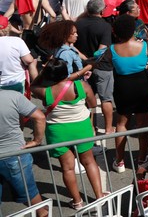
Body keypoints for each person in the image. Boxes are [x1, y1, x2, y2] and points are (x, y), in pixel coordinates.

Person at [31, 59, 104, 209]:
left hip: (58, 133)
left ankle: (77, 202)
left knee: (67, 168)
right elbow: (93, 104)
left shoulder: (46, 92)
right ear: (66, 72)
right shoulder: (81, 86)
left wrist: (43, 72)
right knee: (89, 162)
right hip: (81, 128)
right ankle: (99, 197)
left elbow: (33, 86)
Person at [109, 16, 148, 173]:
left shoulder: (112, 49)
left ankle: (119, 161)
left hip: (123, 86)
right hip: (143, 85)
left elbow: (104, 62)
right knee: (143, 123)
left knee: (121, 123)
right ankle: (141, 159)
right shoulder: (145, 46)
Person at [0, 86, 48, 217]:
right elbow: (40, 117)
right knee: (33, 197)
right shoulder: (13, 96)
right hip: (15, 155)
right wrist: (36, 141)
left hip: (13, 156)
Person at [75, 0, 115, 136]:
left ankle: (90, 128)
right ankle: (109, 128)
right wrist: (93, 61)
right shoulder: (105, 26)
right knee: (106, 98)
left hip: (82, 67)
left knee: (86, 99)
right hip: (102, 67)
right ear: (102, 11)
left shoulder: (78, 24)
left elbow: (72, 46)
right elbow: (102, 49)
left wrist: (85, 60)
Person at [0, 15, 39, 93]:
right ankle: (37, 85)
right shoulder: (17, 41)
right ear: (8, 27)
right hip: (16, 81)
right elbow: (28, 60)